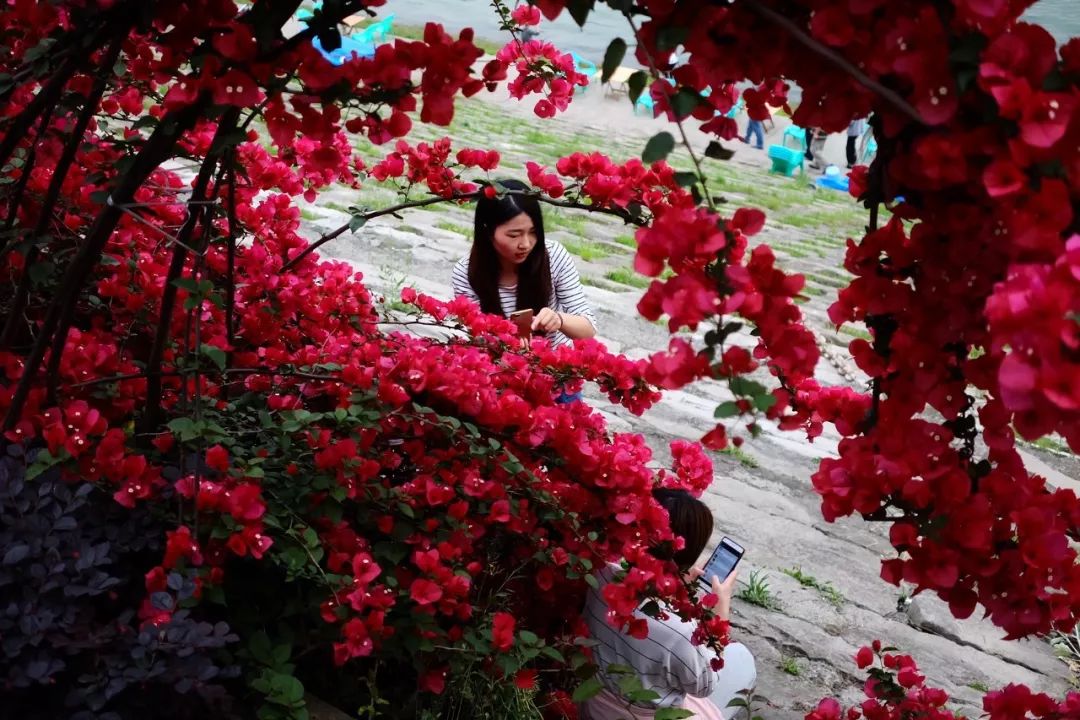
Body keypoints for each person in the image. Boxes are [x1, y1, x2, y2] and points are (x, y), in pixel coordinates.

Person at [581, 489, 757, 720]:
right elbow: (705, 686)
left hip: (595, 708)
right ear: (689, 553)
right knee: (740, 659)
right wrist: (720, 614)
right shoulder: (679, 632)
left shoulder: (600, 574)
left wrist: (673, 587)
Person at [452, 178, 597, 353]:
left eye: (534, 232)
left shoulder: (553, 256)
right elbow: (476, 337)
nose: (526, 244)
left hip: (554, 368)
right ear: (487, 232)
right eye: (514, 235)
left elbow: (588, 329)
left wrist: (559, 319)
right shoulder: (466, 272)